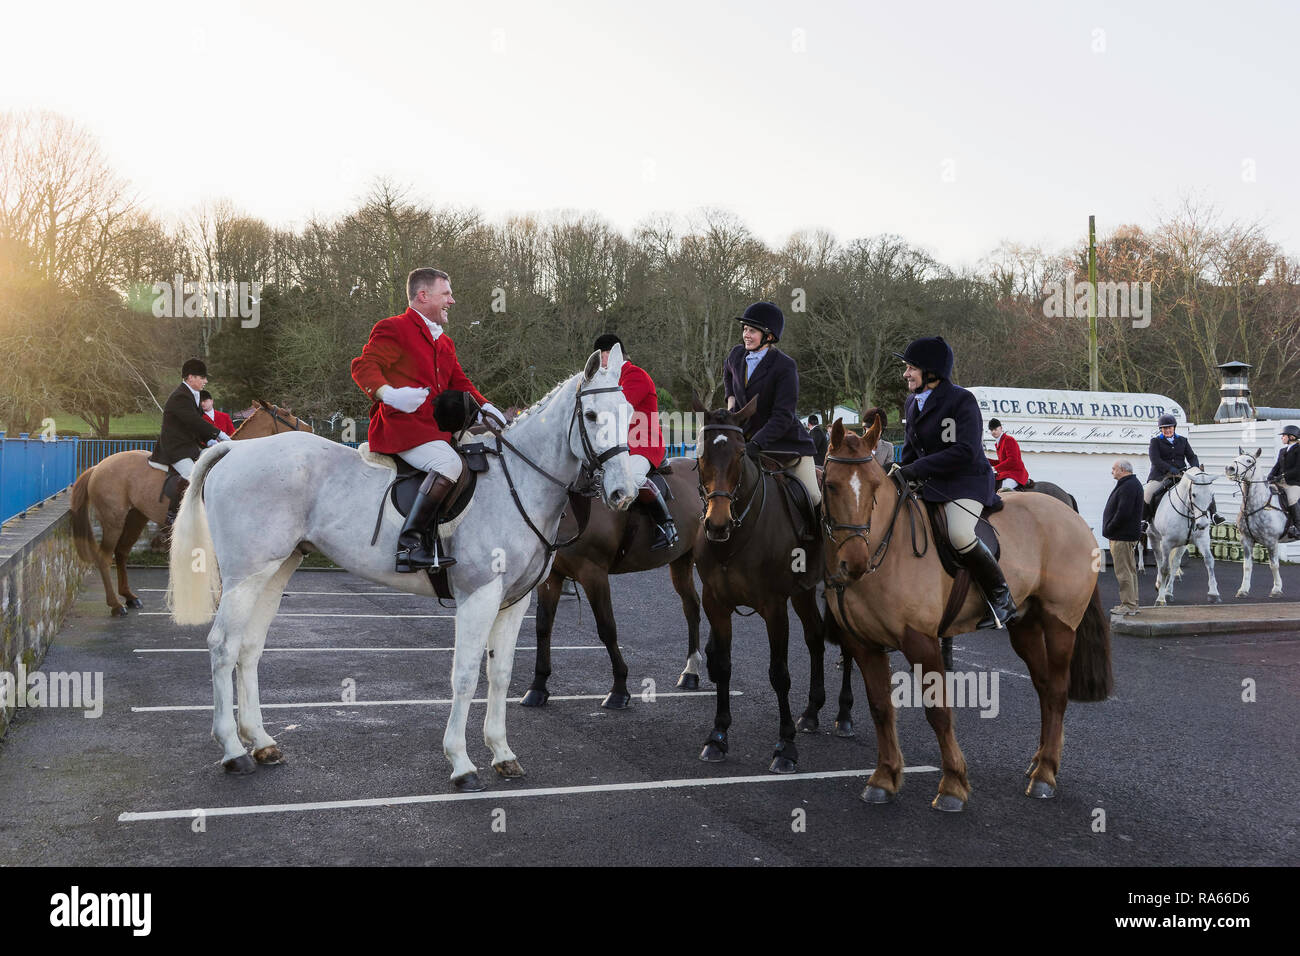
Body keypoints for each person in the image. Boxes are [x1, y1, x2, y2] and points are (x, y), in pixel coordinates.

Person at [351, 267, 505, 572]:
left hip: (434, 431)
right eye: (446, 294)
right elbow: (363, 366)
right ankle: (408, 544)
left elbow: (459, 382)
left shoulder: (444, 342)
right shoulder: (393, 328)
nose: (452, 300)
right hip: (401, 429)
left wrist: (486, 407)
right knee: (449, 465)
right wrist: (388, 393)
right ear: (424, 296)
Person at [894, 336, 1018, 629]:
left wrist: (915, 470)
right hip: (931, 482)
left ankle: (1001, 599)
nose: (906, 373)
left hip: (966, 481)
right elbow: (913, 449)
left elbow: (964, 451)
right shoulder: (912, 402)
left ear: (932, 372)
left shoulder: (962, 400)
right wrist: (897, 471)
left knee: (959, 533)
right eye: (907, 367)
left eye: (911, 368)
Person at [722, 301, 820, 536]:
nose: (746, 334)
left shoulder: (785, 366)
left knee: (813, 496)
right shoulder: (736, 355)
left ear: (769, 336)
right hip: (746, 443)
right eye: (745, 329)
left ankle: (816, 545)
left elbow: (783, 416)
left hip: (785, 445)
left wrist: (757, 443)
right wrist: (731, 400)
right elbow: (727, 373)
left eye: (752, 331)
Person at [593, 333, 677, 550]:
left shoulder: (635, 375)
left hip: (644, 443)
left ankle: (666, 525)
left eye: (601, 356)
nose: (599, 363)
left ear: (610, 354)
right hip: (618, 446)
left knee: (633, 477)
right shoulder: (608, 380)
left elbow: (619, 410)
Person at [149, 359, 230, 532]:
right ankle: (172, 516)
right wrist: (219, 434)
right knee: (193, 478)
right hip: (175, 449)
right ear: (191, 377)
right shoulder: (180, 396)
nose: (205, 381)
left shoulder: (194, 395)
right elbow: (193, 421)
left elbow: (196, 424)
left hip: (189, 446)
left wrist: (208, 440)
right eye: (202, 377)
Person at [1144, 413, 1224, 528]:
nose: (1167, 430)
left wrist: (1195, 468)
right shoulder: (1155, 442)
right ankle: (1145, 521)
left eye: (1169, 427)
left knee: (1203, 487)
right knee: (1148, 492)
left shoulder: (1182, 440)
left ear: (1174, 428)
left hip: (1181, 474)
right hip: (1161, 475)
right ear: (1161, 429)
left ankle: (1214, 514)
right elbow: (1155, 460)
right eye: (1164, 428)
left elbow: (1191, 456)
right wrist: (1170, 468)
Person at [1102, 460, 1143, 615]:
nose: (1112, 471)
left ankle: (1128, 605)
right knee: (1130, 570)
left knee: (1123, 571)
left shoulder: (1129, 486)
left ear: (1123, 470)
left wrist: (1110, 527)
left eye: (1114, 469)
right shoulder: (1130, 484)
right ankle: (1133, 603)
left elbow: (1123, 512)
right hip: (1125, 535)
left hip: (1122, 536)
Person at [1267, 424, 1300, 540]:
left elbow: (1297, 469)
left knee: (1291, 499)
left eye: (1283, 436)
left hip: (1294, 483)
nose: (1282, 438)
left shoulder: (1298, 449)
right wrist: (1270, 476)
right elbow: (1277, 466)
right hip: (1280, 482)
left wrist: (1282, 475)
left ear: (1291, 437)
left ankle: (1297, 527)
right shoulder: (1282, 451)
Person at [987, 418, 1029, 490]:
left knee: (1004, 489)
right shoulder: (998, 443)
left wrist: (995, 468)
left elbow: (1012, 460)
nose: (993, 431)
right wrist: (985, 460)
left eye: (995, 429)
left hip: (1016, 473)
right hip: (1007, 473)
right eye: (991, 430)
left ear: (1001, 428)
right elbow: (1002, 462)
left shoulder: (1008, 439)